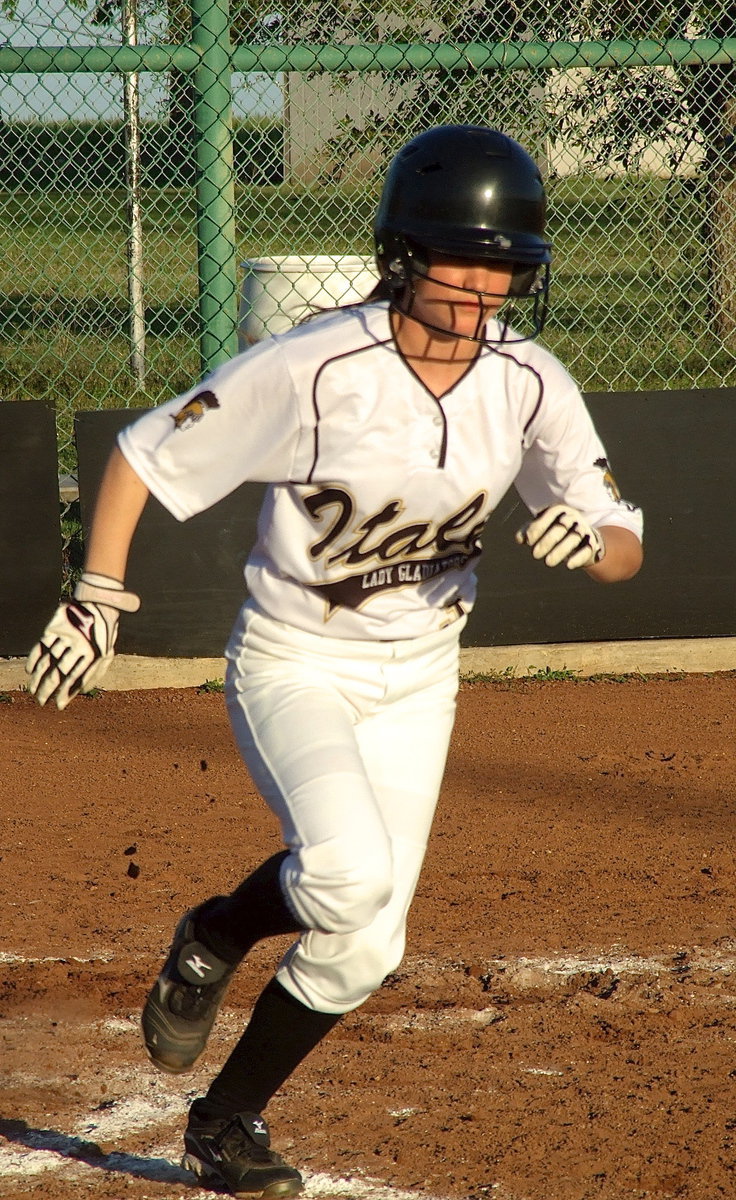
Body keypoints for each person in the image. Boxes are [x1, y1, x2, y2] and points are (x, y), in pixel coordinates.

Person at [26, 124, 643, 1199]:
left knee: (366, 945)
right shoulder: (316, 367)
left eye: (503, 263)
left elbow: (620, 538)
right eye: (460, 255)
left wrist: (591, 547)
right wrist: (98, 596)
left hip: (420, 680)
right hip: (295, 662)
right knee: (348, 875)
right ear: (400, 254)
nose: (482, 283)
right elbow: (140, 454)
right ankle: (218, 930)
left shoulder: (529, 381)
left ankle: (225, 1123)